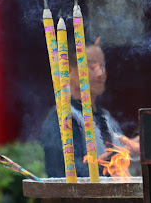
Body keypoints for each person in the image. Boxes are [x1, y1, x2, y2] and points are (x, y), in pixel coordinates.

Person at [41, 40, 138, 178]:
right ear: (69, 71)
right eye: (91, 66)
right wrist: (117, 158)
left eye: (102, 66)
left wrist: (134, 148)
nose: (100, 73)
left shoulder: (106, 117)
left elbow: (124, 161)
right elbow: (69, 176)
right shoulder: (63, 119)